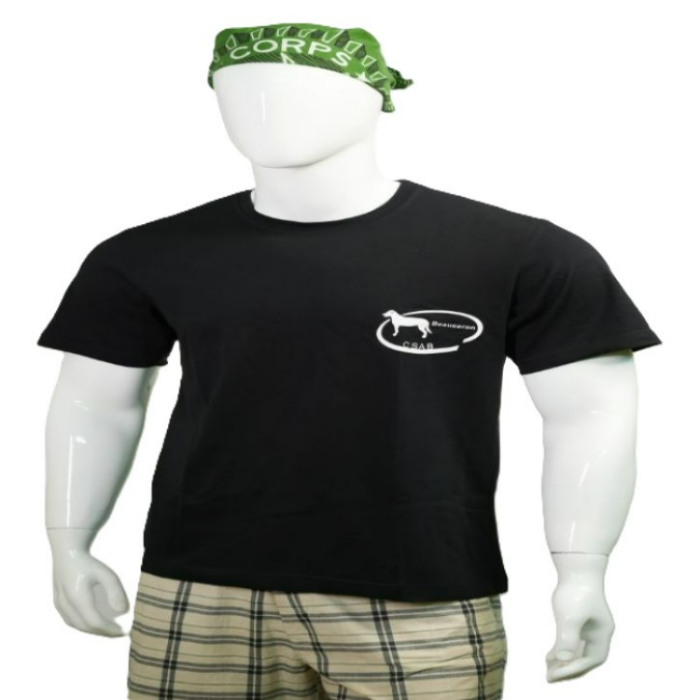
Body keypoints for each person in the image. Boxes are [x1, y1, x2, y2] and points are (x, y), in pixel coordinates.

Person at [37, 22, 662, 699]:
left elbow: (590, 416)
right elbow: (97, 405)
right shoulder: (145, 256)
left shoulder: (519, 252)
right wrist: (68, 542)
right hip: (199, 587)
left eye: (303, 86)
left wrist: (582, 570)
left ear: (374, 96)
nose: (264, 107)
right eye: (238, 89)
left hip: (421, 592)